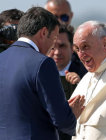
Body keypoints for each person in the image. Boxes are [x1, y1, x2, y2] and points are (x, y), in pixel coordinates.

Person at [0, 7, 85, 140]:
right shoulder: (43, 63)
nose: (53, 46)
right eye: (55, 37)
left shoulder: (2, 58)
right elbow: (62, 120)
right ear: (44, 32)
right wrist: (71, 114)